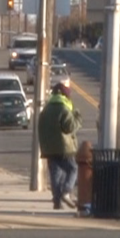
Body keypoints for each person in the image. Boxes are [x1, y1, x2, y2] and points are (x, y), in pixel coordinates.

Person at [37, 82, 83, 210]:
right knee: (72, 168)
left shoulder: (46, 109)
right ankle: (66, 192)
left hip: (48, 148)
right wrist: (77, 117)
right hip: (64, 148)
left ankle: (57, 202)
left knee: (56, 174)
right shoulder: (63, 108)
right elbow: (70, 127)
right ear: (65, 96)